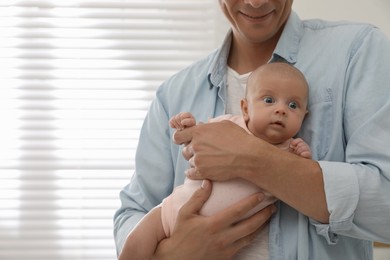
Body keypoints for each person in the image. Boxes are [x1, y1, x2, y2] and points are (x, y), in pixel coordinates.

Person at [114, 1, 390, 259]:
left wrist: (250, 157)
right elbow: (135, 212)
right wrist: (175, 254)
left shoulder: (356, 51)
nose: (256, 3)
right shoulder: (173, 94)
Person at [118, 62, 312, 260]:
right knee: (135, 244)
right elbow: (197, 140)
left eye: (293, 105)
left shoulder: (290, 152)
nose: (281, 110)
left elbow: (302, 180)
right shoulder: (228, 124)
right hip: (170, 212)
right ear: (245, 108)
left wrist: (303, 156)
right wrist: (187, 126)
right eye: (269, 100)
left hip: (223, 243)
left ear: (304, 116)